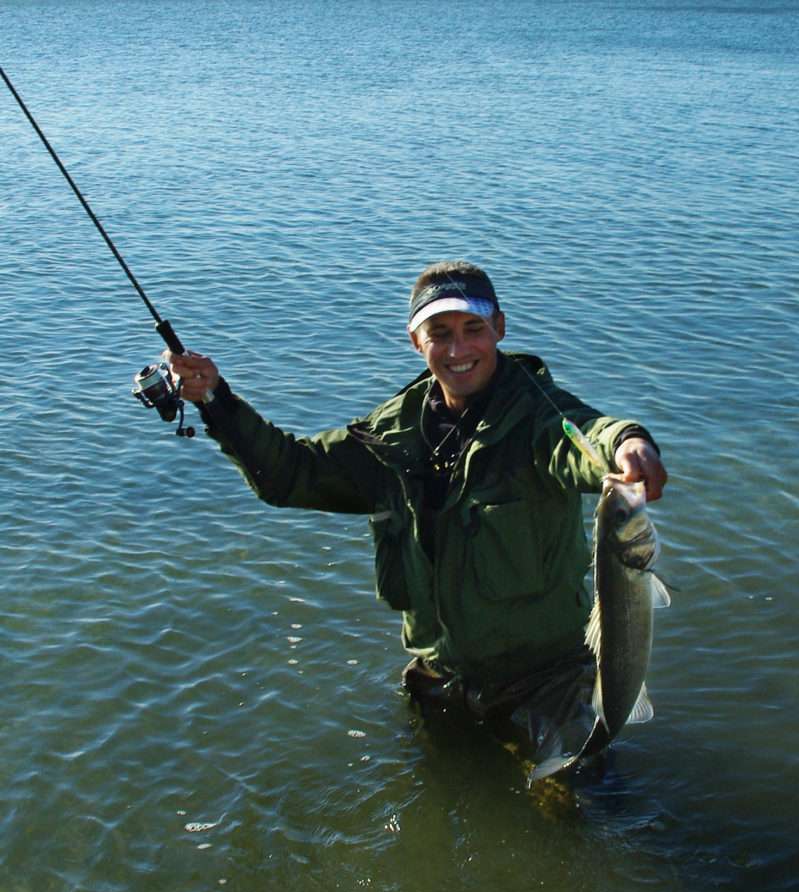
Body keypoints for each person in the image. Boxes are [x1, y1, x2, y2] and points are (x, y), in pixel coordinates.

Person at [168, 260, 667, 774]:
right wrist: (215, 400)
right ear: (416, 341)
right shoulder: (390, 438)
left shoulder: (539, 419)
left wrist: (628, 443)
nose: (458, 350)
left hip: (549, 681)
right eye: (439, 334)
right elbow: (290, 475)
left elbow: (587, 437)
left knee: (585, 804)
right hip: (440, 677)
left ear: (499, 327)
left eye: (473, 329)